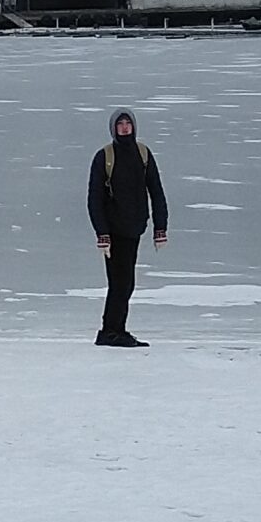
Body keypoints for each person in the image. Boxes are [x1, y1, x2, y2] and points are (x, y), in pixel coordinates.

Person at [87, 108, 169, 347]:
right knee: (120, 282)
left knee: (126, 282)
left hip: (134, 228)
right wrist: (102, 233)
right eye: (120, 124)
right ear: (113, 129)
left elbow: (156, 191)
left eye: (127, 123)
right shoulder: (104, 157)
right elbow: (94, 199)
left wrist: (160, 228)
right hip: (113, 231)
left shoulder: (143, 154)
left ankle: (115, 330)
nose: (124, 128)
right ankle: (111, 331)